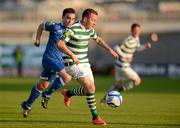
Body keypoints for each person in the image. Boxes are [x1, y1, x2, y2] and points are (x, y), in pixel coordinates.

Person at [42, 8, 118, 125]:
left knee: (89, 89)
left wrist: (110, 50)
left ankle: (68, 94)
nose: (95, 22)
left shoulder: (90, 30)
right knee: (90, 87)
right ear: (85, 19)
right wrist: (72, 55)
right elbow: (60, 43)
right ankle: (95, 118)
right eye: (93, 20)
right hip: (71, 63)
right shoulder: (73, 29)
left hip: (85, 63)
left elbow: (98, 40)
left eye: (95, 20)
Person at [21, 8, 78, 118]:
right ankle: (47, 95)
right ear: (63, 17)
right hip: (49, 59)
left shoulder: (71, 32)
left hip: (58, 61)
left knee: (42, 85)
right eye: (68, 18)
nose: (70, 21)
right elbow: (41, 26)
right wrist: (37, 40)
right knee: (67, 77)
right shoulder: (55, 26)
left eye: (72, 19)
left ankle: (27, 105)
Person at [100, 23, 157, 103]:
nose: (137, 32)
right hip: (123, 66)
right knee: (137, 80)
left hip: (119, 65)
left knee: (117, 85)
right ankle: (118, 92)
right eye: (135, 30)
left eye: (138, 30)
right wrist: (125, 56)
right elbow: (116, 47)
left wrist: (145, 46)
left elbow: (136, 48)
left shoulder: (136, 38)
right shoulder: (129, 39)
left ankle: (106, 98)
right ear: (131, 31)